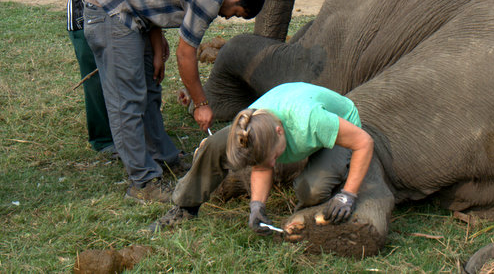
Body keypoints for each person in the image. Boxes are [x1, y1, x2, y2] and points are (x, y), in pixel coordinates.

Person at [82, 0, 265, 203]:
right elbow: (186, 54)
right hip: (110, 9)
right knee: (128, 100)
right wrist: (201, 103)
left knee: (149, 88)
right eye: (235, 14)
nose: (227, 18)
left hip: (132, 12)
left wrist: (156, 48)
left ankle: (162, 157)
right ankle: (142, 183)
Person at [67, 0, 228, 156]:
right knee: (101, 76)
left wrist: (156, 41)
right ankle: (105, 141)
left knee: (138, 76)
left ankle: (144, 142)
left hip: (129, 15)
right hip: (90, 9)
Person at [148, 82, 374, 233]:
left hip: (339, 124)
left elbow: (364, 142)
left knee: (312, 190)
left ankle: (326, 199)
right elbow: (263, 166)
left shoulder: (312, 121)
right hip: (290, 113)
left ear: (279, 132)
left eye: (275, 157)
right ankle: (185, 207)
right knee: (217, 143)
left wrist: (348, 195)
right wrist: (257, 206)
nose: (274, 164)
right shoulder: (250, 123)